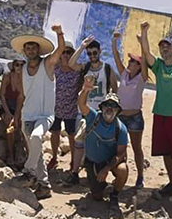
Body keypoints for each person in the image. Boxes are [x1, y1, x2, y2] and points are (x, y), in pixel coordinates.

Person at [140, 18, 172, 207]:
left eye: (167, 47)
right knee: (166, 153)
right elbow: (146, 52)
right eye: (162, 47)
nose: (164, 49)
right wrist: (144, 32)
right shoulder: (159, 65)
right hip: (160, 115)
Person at [10, 25, 66, 200]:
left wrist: (59, 33)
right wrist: (16, 116)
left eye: (33, 47)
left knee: (36, 138)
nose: (31, 50)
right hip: (27, 115)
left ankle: (28, 172)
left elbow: (61, 50)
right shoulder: (22, 69)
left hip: (45, 115)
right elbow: (21, 94)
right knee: (37, 152)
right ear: (24, 51)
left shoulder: (47, 64)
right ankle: (44, 186)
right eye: (28, 47)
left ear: (38, 49)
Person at [78, 76, 129, 218]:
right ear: (102, 107)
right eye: (107, 105)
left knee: (123, 169)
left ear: (117, 110)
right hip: (93, 161)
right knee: (97, 197)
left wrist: (107, 169)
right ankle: (100, 186)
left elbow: (121, 154)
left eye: (113, 106)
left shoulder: (121, 128)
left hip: (109, 161)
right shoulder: (93, 117)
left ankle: (115, 194)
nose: (109, 108)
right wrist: (86, 90)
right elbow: (82, 104)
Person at [70, 35, 118, 182]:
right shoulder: (85, 68)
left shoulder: (107, 69)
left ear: (100, 52)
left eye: (94, 53)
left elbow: (114, 90)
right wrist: (82, 47)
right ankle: (74, 173)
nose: (92, 56)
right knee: (79, 142)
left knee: (97, 143)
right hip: (84, 110)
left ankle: (95, 174)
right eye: (89, 53)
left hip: (100, 113)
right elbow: (71, 64)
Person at [112, 31, 149, 189]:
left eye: (133, 61)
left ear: (139, 66)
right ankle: (122, 176)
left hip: (134, 117)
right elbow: (116, 57)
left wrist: (142, 43)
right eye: (130, 60)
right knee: (120, 148)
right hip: (120, 117)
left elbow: (146, 61)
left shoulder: (142, 78)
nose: (129, 62)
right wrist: (114, 42)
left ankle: (140, 177)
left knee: (136, 148)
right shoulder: (124, 74)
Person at [49, 41, 81, 181]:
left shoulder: (77, 71)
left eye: (69, 52)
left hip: (71, 109)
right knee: (54, 133)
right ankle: (54, 157)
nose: (66, 55)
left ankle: (74, 160)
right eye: (64, 52)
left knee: (72, 135)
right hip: (55, 108)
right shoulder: (54, 69)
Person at [0, 53, 26, 166]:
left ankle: (23, 151)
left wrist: (16, 116)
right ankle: (10, 153)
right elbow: (2, 96)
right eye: (17, 65)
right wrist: (8, 112)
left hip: (20, 107)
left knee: (22, 125)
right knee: (9, 126)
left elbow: (21, 99)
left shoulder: (26, 79)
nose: (19, 67)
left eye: (21, 65)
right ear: (13, 66)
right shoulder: (7, 76)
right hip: (7, 106)